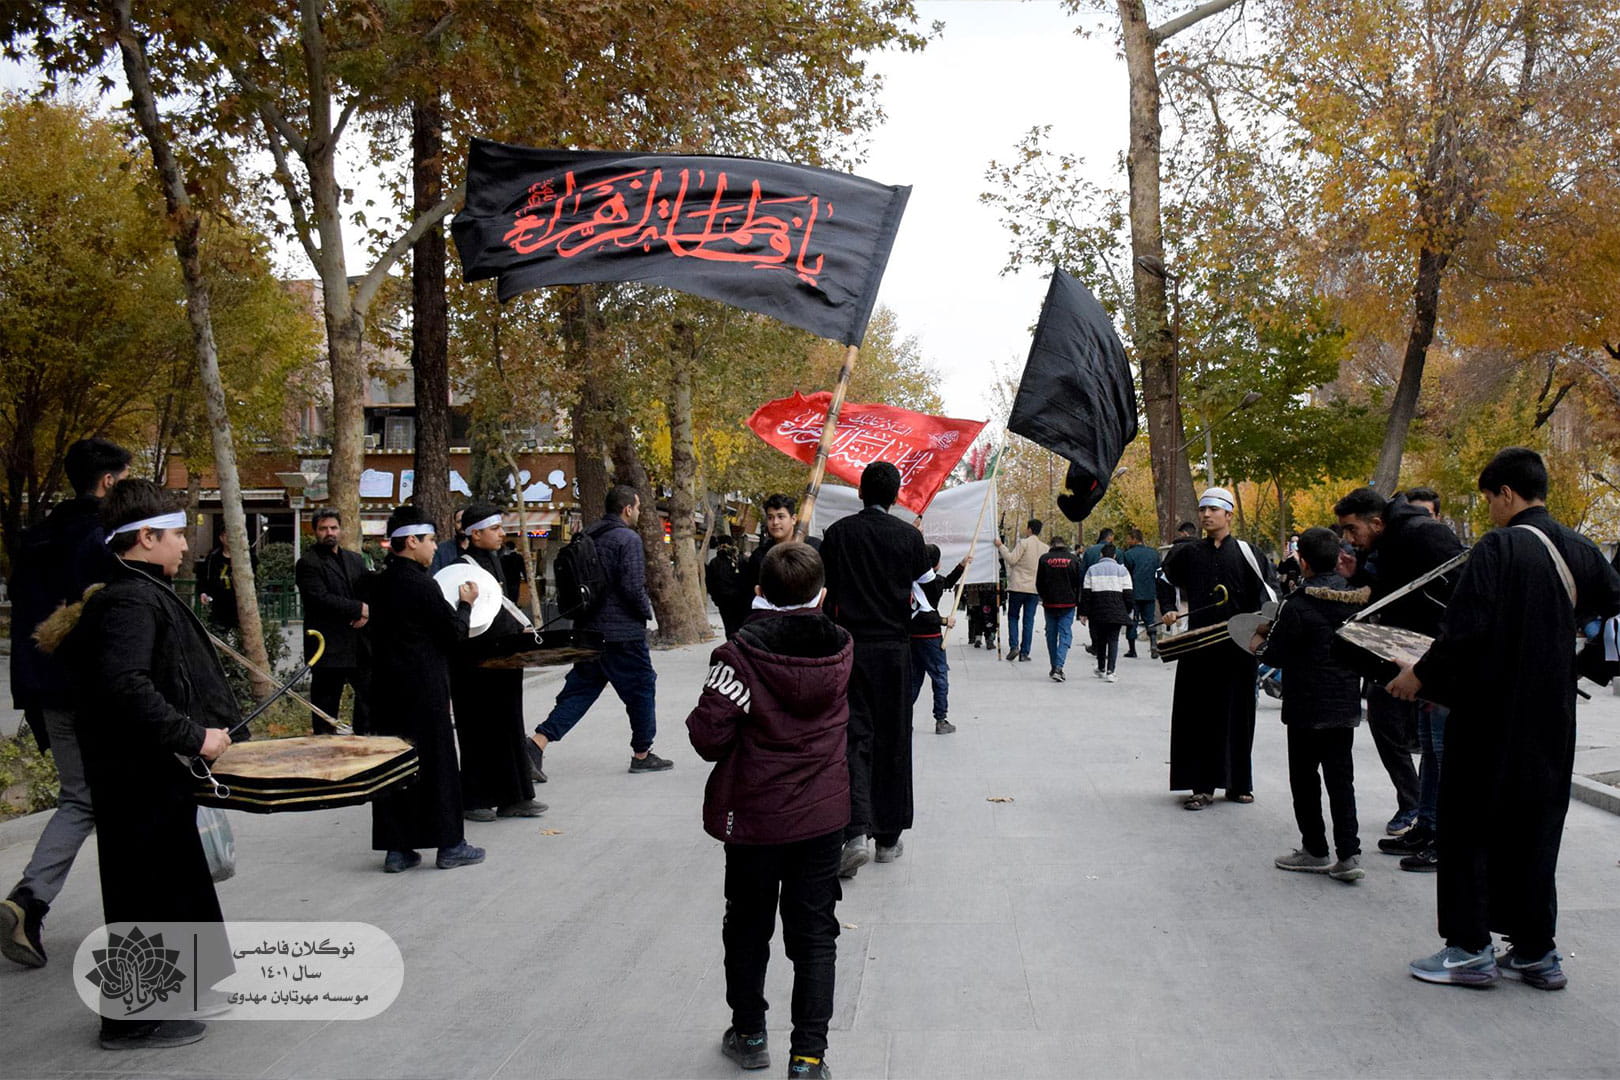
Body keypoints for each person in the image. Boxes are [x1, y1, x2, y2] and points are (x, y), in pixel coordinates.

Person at [1389, 448, 1620, 989]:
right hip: (1553, 719)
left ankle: (1469, 948)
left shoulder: (1498, 548)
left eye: (1490, 498)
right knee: (1536, 829)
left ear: (1506, 494)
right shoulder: (1580, 549)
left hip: (1489, 716)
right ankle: (1537, 951)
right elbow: (1613, 609)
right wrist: (1574, 664)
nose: (1490, 508)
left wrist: (1416, 677)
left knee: (1469, 826)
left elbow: (1462, 635)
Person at [44, 479, 234, 1049]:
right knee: (144, 891)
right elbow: (125, 685)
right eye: (178, 534)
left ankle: (185, 988)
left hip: (153, 773)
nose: (186, 545)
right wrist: (193, 736)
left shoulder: (140, 590)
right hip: (134, 776)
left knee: (174, 883)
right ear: (146, 537)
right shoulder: (128, 599)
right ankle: (131, 1020)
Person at [687, 542, 851, 1080]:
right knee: (814, 934)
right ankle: (808, 1057)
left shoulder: (738, 656)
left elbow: (707, 736)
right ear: (822, 595)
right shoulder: (842, 652)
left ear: (758, 593)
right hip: (822, 816)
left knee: (748, 924)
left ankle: (751, 1031)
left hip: (755, 817)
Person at [0, 437, 129, 970]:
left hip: (45, 688)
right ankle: (32, 900)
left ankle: (28, 904)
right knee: (104, 800)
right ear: (108, 483)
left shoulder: (36, 536)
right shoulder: (102, 539)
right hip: (96, 690)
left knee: (81, 797)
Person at [1336, 485, 1464, 862]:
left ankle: (1444, 839)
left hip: (1439, 657)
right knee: (1429, 747)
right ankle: (1425, 827)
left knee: (1442, 751)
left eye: (1351, 529)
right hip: (1412, 652)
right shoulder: (1389, 542)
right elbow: (1394, 594)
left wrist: (1436, 659)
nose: (1347, 538)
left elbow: (1462, 597)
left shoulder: (1426, 534)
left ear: (1376, 521)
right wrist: (1358, 574)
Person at [820, 462, 932, 878]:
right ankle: (888, 837)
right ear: (896, 494)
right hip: (893, 651)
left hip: (849, 648)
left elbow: (822, 587)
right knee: (894, 739)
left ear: (861, 492)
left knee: (853, 737)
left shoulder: (837, 535)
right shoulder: (909, 537)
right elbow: (928, 590)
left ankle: (854, 831)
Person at [366, 505, 486, 873]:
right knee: (437, 765)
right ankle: (450, 844)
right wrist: (466, 606)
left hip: (386, 689)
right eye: (430, 540)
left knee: (394, 766)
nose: (435, 547)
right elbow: (452, 635)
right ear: (411, 541)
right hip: (424, 688)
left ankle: (397, 849)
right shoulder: (422, 584)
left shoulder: (378, 583)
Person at [527, 485, 673, 777]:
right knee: (642, 687)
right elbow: (632, 587)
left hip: (587, 630)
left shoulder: (588, 534)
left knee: (580, 692)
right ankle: (642, 753)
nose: (639, 513)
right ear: (627, 509)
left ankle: (537, 743)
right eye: (638, 508)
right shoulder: (627, 539)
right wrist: (647, 613)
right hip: (622, 634)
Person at [1253, 527, 1367, 883]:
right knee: (1341, 780)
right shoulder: (1356, 599)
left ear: (1302, 562)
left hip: (1306, 705)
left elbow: (1275, 654)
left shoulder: (1297, 605)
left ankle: (1315, 850)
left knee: (1304, 780)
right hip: (1344, 702)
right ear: (1337, 558)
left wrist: (1260, 638)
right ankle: (1349, 854)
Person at [1159, 489, 1279, 810]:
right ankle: (1202, 787)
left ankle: (1239, 784)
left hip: (1238, 649)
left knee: (1239, 714)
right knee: (1199, 716)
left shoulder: (1247, 552)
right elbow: (1163, 577)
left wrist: (1261, 631)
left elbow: (1271, 593)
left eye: (1213, 509)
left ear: (1229, 514)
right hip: (1199, 647)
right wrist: (1169, 608)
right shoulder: (1188, 552)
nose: (1206, 515)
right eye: (1202, 510)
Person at [450, 504, 547, 823]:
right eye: (494, 529)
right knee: (477, 729)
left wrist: (519, 629)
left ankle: (514, 797)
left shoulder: (495, 561)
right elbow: (471, 618)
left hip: (504, 658)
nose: (501, 533)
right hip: (475, 662)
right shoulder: (460, 568)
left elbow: (500, 607)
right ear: (474, 533)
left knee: (509, 726)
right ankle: (474, 798)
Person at [294, 509, 374, 735]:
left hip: (358, 645)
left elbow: (366, 591)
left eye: (333, 528)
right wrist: (358, 609)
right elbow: (320, 599)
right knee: (325, 708)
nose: (329, 533)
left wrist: (366, 613)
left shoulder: (355, 559)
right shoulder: (308, 563)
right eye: (323, 528)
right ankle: (325, 755)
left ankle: (364, 743)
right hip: (328, 648)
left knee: (368, 697)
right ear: (315, 532)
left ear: (340, 529)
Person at [909, 543, 968, 733]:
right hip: (931, 637)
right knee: (940, 676)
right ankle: (941, 719)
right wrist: (944, 620)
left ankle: (902, 718)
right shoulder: (935, 583)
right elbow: (946, 584)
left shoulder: (908, 580)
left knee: (914, 678)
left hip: (910, 637)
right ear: (937, 564)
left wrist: (961, 566)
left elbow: (949, 582)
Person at [994, 519, 1047, 663]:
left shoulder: (1023, 543)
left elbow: (1011, 559)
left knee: (1013, 617)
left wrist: (1001, 546)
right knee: (1028, 621)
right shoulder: (1045, 548)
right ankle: (1025, 653)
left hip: (1017, 587)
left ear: (1029, 529)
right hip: (1034, 589)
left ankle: (1014, 646)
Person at [1081, 542, 1132, 682]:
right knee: (1113, 639)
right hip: (1116, 609)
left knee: (1101, 639)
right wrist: (1127, 610)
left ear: (1101, 555)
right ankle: (1111, 671)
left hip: (1097, 610)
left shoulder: (1092, 569)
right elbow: (1128, 594)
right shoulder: (1122, 571)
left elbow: (1086, 593)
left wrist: (1084, 613)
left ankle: (1101, 668)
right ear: (1115, 556)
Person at [1034, 536, 1080, 681]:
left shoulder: (1044, 559)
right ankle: (1059, 667)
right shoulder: (1073, 559)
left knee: (1051, 634)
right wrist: (1077, 601)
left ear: (1051, 545)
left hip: (1050, 603)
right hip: (1068, 603)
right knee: (1065, 633)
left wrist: (1044, 597)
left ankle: (1054, 665)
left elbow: (1039, 582)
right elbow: (1078, 583)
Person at [1120, 529, 1161, 659]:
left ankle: (1132, 650)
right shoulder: (1154, 554)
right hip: (1150, 592)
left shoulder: (1128, 555)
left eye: (1128, 538)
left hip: (1133, 593)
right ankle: (1153, 644)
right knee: (1150, 619)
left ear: (1134, 539)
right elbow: (1158, 573)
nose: (1127, 541)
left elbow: (1126, 574)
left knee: (1132, 620)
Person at [706, 538, 751, 640]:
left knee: (730, 628)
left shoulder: (715, 562)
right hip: (739, 601)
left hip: (726, 602)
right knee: (741, 628)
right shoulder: (742, 559)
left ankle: (733, 650)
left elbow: (710, 583)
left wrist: (716, 599)